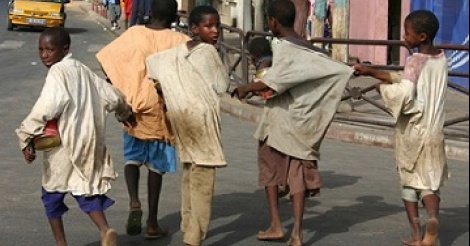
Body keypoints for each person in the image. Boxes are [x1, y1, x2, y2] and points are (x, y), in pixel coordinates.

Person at [232, 1, 353, 245]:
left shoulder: (284, 49)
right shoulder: (311, 49)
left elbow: (273, 82)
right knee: (297, 178)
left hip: (279, 120)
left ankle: (276, 225)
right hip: (304, 123)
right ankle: (297, 232)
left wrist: (245, 88)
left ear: (272, 21)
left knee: (271, 173)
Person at [16, 27, 134, 246]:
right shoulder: (83, 69)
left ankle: (61, 243)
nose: (44, 55)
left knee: (51, 196)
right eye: (41, 49)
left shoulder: (58, 72)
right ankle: (105, 230)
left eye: (49, 50)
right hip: (89, 143)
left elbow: (48, 106)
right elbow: (112, 96)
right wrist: (125, 112)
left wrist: (25, 135)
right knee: (86, 192)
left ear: (65, 49)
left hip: (63, 146)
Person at [96, 0, 190, 240]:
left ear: (150, 13)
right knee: (156, 166)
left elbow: (108, 60)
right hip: (162, 109)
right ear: (173, 17)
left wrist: (124, 83)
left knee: (133, 157)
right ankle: (151, 222)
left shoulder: (135, 33)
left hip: (135, 107)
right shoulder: (179, 41)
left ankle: (134, 200)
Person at [354, 10, 449, 246]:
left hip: (414, 132)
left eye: (408, 33)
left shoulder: (414, 61)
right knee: (428, 183)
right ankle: (433, 219)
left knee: (409, 182)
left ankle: (416, 233)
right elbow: (410, 79)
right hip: (434, 131)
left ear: (422, 36)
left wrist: (381, 89)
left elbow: (405, 93)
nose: (404, 37)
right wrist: (373, 71)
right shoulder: (440, 59)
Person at [145, 6, 229, 246]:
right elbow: (222, 86)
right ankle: (194, 237)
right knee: (203, 179)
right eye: (208, 26)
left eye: (217, 26)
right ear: (194, 29)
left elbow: (153, 66)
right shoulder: (209, 52)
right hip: (201, 122)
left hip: (181, 120)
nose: (215, 31)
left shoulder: (175, 53)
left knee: (190, 174)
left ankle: (186, 226)